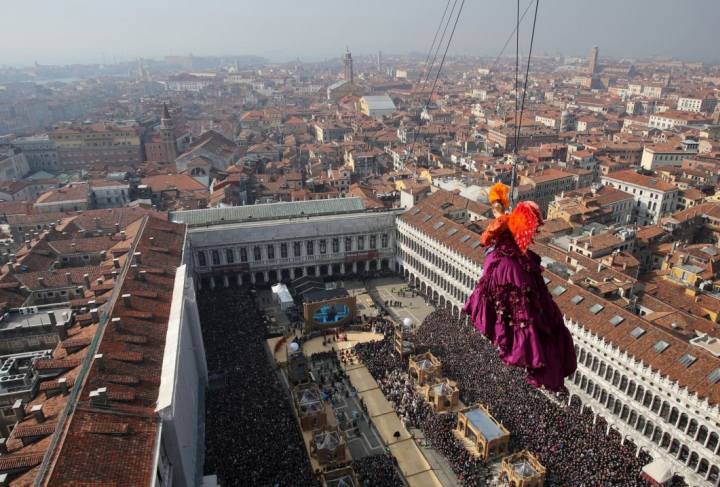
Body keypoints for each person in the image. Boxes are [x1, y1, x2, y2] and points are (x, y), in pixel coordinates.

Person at [463, 182, 577, 391]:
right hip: (509, 265)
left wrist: (498, 209)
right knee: (527, 310)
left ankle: (515, 343)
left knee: (520, 309)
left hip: (506, 264)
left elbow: (489, 233)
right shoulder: (508, 225)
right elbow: (494, 227)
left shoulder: (504, 224)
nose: (533, 233)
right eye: (532, 228)